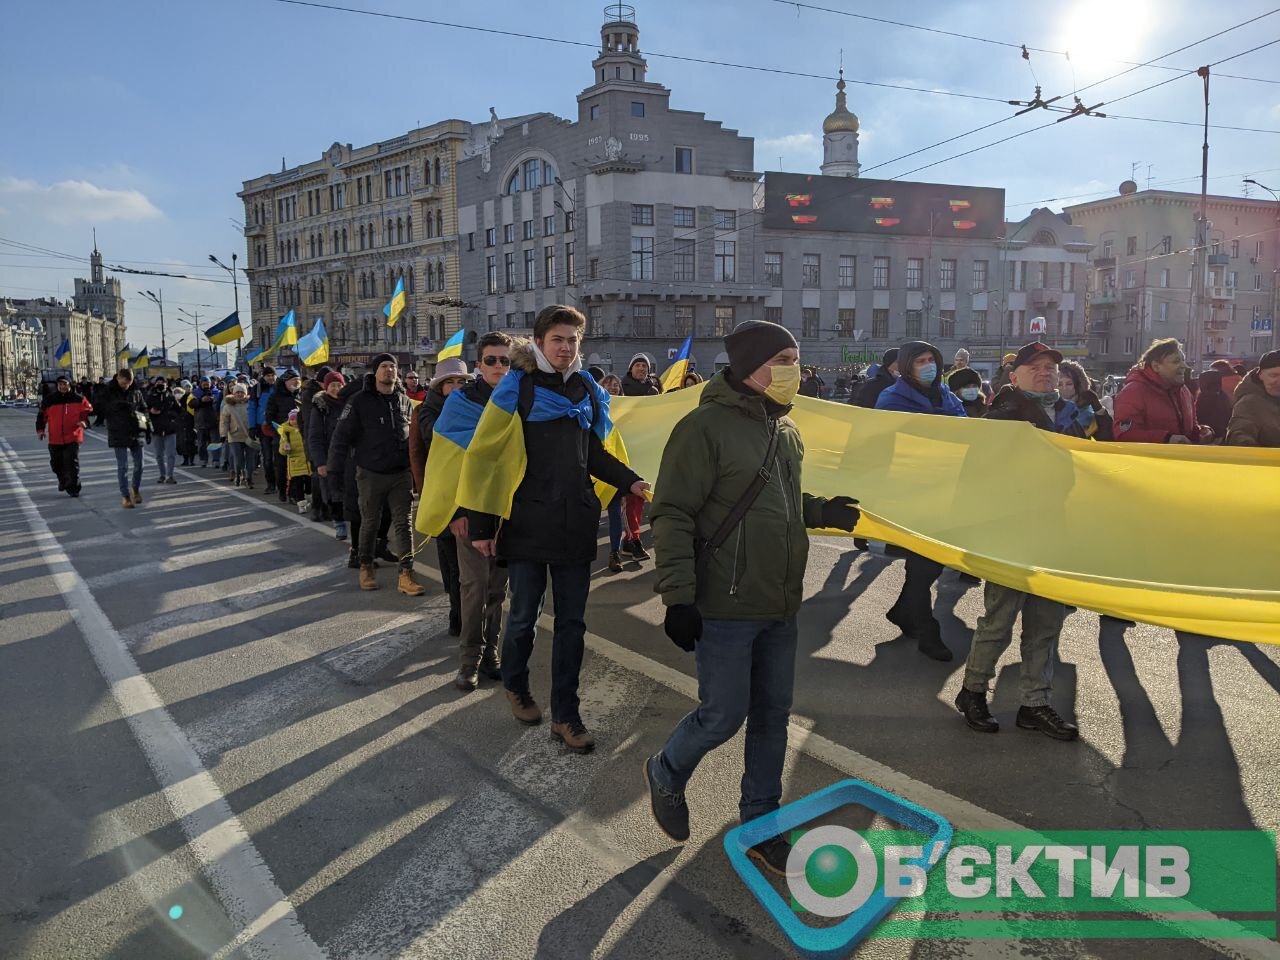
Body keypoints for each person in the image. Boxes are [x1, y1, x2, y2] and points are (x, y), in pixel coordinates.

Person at [642, 318, 861, 874]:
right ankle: (667, 770)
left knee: (772, 716)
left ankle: (761, 822)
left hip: (779, 603)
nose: (795, 370)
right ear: (750, 367)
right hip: (724, 605)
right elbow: (670, 512)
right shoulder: (704, 428)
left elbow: (781, 501)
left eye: (796, 358)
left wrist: (822, 512)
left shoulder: (785, 430)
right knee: (721, 716)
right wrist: (678, 597)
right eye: (784, 359)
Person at [468, 305, 647, 752]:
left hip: (574, 521)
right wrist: (483, 524)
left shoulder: (586, 388)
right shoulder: (517, 388)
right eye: (558, 340)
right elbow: (486, 457)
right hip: (526, 522)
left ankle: (566, 714)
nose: (566, 348)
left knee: (572, 623)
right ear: (540, 342)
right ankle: (517, 686)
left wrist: (631, 481)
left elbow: (595, 453)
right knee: (525, 615)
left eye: (573, 340)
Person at [955, 342, 1082, 743]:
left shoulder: (1070, 416)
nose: (1045, 372)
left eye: (1050, 367)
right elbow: (978, 477)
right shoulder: (1002, 418)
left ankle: (1035, 703)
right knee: (998, 622)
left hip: (1054, 532)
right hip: (1010, 533)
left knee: (1046, 625)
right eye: (1035, 367)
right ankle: (973, 691)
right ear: (1014, 376)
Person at [875, 341, 966, 661]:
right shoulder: (892, 398)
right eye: (921, 361)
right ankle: (928, 631)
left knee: (929, 563)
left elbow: (968, 430)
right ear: (906, 366)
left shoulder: (948, 395)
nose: (928, 365)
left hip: (947, 490)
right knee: (924, 563)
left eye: (932, 360)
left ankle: (903, 611)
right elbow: (885, 443)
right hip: (911, 492)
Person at [325, 353, 425, 595]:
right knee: (370, 522)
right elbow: (341, 438)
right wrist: (333, 472)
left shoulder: (403, 400)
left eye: (393, 366)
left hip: (400, 474)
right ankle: (366, 566)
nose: (389, 370)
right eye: (384, 366)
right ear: (375, 371)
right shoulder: (359, 401)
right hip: (370, 473)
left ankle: (406, 574)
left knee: (404, 524)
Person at [449, 332, 514, 691]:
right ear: (478, 365)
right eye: (492, 360)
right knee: (474, 587)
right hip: (470, 511)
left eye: (505, 360)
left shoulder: (519, 399)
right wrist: (456, 511)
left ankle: (491, 653)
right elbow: (447, 463)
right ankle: (468, 660)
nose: (499, 366)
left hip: (505, 511)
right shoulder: (462, 401)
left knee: (496, 589)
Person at [409, 356, 471, 634]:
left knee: (467, 561)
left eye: (461, 382)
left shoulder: (473, 405)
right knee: (450, 558)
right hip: (442, 490)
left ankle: (464, 612)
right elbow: (430, 440)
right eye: (450, 383)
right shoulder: (428, 410)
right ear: (439, 387)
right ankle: (456, 613)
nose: (456, 387)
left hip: (468, 488)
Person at [1113, 339, 1213, 444]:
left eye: (1183, 360)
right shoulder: (1133, 392)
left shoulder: (1184, 391)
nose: (1184, 366)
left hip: (1179, 458)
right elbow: (1124, 434)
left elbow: (1190, 428)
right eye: (1176, 361)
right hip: (1150, 459)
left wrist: (1201, 433)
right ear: (1156, 366)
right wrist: (1166, 439)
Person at [306, 371, 349, 539]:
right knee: (334, 494)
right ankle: (339, 523)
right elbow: (314, 437)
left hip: (349, 455)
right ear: (326, 387)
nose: (336, 388)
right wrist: (320, 462)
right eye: (333, 385)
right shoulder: (320, 407)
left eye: (339, 385)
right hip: (329, 456)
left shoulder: (350, 404)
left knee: (353, 493)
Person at [35, 375, 93, 496]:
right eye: (60, 384)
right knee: (56, 464)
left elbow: (88, 411)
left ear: (69, 384)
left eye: (65, 384)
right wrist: (40, 430)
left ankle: (74, 488)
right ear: (57, 385)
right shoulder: (49, 400)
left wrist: (84, 422)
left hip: (73, 436)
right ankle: (63, 480)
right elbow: (41, 416)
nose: (62, 386)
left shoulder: (79, 399)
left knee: (71, 463)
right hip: (54, 438)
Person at [102, 368, 150, 509]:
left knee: (140, 465)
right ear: (118, 378)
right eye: (123, 383)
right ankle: (125, 496)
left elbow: (143, 410)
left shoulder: (136, 391)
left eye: (128, 383)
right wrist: (116, 406)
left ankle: (135, 489)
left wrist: (146, 429)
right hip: (118, 432)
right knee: (123, 466)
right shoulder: (109, 391)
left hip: (135, 432)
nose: (126, 386)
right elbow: (100, 408)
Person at [599, 373, 628, 573]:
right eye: (609, 384)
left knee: (615, 512)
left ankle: (615, 552)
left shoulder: (627, 409)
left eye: (616, 384)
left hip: (614, 467)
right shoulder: (594, 406)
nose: (613, 387)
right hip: (595, 468)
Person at [1225, 350, 1280, 447]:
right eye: (1273, 375)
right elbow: (1240, 436)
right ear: (1260, 375)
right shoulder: (1249, 403)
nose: (1279, 382)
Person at [298, 366, 332, 521]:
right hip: (315, 440)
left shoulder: (327, 395)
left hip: (326, 441)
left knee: (327, 477)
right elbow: (307, 421)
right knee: (318, 476)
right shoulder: (311, 397)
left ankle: (327, 508)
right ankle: (318, 508)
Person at [266, 368, 302, 503]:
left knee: (296, 468)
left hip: (299, 437)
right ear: (286, 381)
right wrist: (280, 432)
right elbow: (269, 417)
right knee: (281, 467)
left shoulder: (302, 395)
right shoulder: (275, 396)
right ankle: (282, 490)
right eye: (293, 380)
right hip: (282, 436)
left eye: (298, 380)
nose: (296, 382)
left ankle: (294, 493)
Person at [1056, 359, 1114, 441]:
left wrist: (1099, 410)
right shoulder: (1050, 407)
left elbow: (1106, 439)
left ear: (1078, 385)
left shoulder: (1088, 413)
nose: (1064, 388)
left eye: (1069, 384)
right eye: (1059, 384)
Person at [219, 382, 258, 487]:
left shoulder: (251, 404)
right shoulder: (228, 406)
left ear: (246, 393)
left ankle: (249, 477)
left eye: (242, 392)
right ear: (234, 393)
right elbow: (224, 421)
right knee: (238, 459)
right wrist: (223, 434)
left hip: (250, 435)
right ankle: (238, 474)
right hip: (235, 435)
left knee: (250, 459)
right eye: (237, 392)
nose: (240, 394)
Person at [145, 376, 181, 484]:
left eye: (163, 382)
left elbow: (179, 410)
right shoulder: (150, 396)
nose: (160, 384)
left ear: (166, 384)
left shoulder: (171, 396)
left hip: (170, 429)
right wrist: (150, 411)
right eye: (158, 382)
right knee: (159, 455)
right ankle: (162, 475)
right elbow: (144, 411)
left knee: (171, 454)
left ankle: (170, 476)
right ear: (155, 384)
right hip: (156, 429)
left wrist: (172, 418)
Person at [250, 366, 279, 494]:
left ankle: (281, 484)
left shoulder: (280, 387)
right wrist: (252, 426)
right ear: (263, 376)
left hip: (278, 426)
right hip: (263, 427)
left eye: (272, 375)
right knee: (267, 458)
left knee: (279, 458)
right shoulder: (257, 389)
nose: (270, 378)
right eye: (268, 375)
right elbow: (252, 408)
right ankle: (271, 484)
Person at [278, 408, 311, 505]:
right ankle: (300, 501)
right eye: (291, 419)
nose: (294, 421)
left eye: (296, 419)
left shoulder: (305, 429)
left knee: (309, 481)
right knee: (298, 482)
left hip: (307, 460)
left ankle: (309, 497)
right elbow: (282, 451)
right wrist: (285, 448)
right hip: (295, 462)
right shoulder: (286, 432)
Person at [191, 375, 221, 468]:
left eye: (207, 383)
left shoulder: (217, 392)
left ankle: (216, 460)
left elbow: (220, 403)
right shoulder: (195, 393)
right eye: (204, 383)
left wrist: (212, 399)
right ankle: (203, 460)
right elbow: (191, 404)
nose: (206, 385)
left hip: (214, 422)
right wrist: (201, 400)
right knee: (201, 444)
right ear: (200, 383)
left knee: (215, 443)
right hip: (201, 422)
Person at [1194, 370, 1232, 442]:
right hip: (1222, 434)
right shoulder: (1222, 395)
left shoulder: (1204, 397)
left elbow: (1198, 415)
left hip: (1207, 435)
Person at [175, 380, 196, 466]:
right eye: (186, 387)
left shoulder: (193, 397)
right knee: (182, 441)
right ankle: (185, 459)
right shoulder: (179, 398)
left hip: (191, 421)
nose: (187, 388)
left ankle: (191, 460)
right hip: (181, 421)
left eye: (189, 387)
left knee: (191, 440)